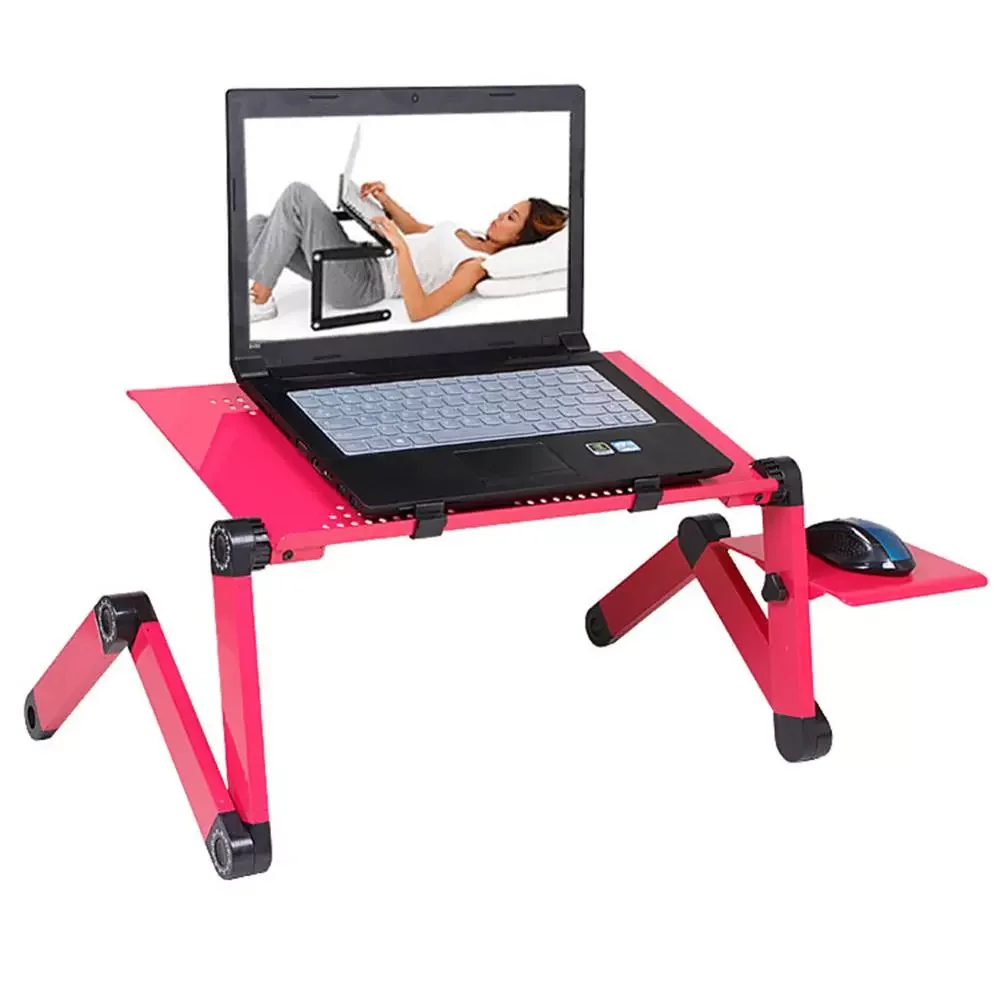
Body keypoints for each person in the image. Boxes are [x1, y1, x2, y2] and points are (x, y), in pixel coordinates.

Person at [246, 180, 568, 323]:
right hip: (359, 257)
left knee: (298, 195)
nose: (500, 215)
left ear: (519, 237)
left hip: (361, 283)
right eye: (507, 210)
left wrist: (399, 247)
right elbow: (416, 229)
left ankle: (260, 300)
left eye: (511, 218)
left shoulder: (476, 266)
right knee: (258, 227)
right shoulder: (474, 234)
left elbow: (420, 310)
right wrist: (385, 199)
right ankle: (258, 278)